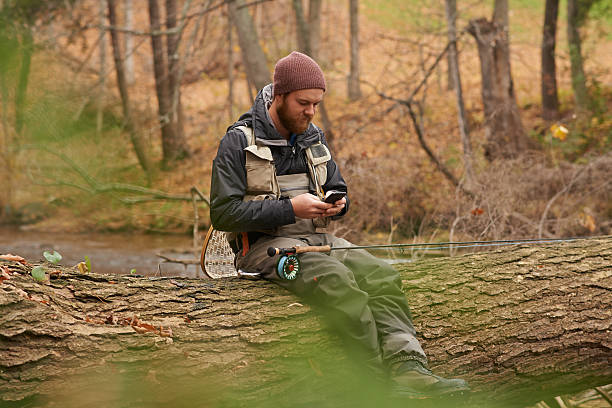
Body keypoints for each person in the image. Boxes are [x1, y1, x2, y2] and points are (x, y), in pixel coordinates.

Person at [209, 51, 468, 397]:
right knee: (337, 282)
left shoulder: (313, 137)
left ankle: (408, 368)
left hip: (316, 242)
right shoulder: (238, 142)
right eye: (303, 103)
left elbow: (336, 184)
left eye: (316, 104)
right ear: (280, 95)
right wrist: (291, 209)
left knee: (382, 274)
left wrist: (338, 203)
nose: (310, 112)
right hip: (261, 251)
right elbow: (222, 214)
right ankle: (373, 385)